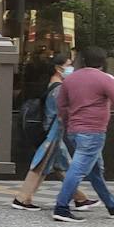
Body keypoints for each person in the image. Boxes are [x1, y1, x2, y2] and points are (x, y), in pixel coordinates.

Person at [51, 47, 114, 222]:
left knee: (95, 171)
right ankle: (61, 207)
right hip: (93, 132)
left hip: (74, 131)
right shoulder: (105, 79)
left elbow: (62, 106)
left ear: (83, 61)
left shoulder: (70, 79)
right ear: (103, 63)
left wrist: (68, 124)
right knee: (78, 169)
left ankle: (112, 206)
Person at [10, 54, 96, 211]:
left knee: (62, 166)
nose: (72, 68)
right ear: (58, 68)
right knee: (40, 166)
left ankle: (80, 199)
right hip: (52, 133)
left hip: (51, 132)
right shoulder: (58, 88)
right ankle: (21, 199)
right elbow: (61, 112)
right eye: (68, 65)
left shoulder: (52, 84)